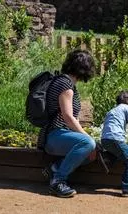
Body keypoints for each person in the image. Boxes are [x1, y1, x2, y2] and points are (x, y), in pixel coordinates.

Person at [38, 49, 96, 198]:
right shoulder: (65, 85)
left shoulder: (66, 82)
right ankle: (58, 181)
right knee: (88, 144)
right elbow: (68, 118)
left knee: (91, 154)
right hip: (54, 136)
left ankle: (55, 168)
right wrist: (87, 137)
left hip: (62, 135)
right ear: (84, 67)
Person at [101, 91, 128, 197]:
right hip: (116, 138)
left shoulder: (112, 110)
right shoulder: (127, 108)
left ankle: (106, 157)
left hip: (105, 140)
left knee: (123, 153)